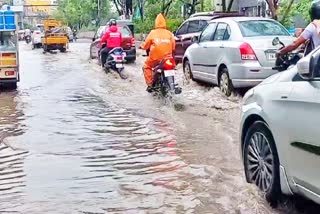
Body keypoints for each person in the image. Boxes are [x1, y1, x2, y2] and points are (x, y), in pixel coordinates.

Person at [140, 13, 175, 92]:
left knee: (146, 66)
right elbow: (173, 47)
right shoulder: (169, 33)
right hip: (168, 59)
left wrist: (142, 46)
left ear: (156, 23)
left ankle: (150, 84)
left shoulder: (153, 33)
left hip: (155, 59)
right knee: (172, 66)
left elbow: (146, 45)